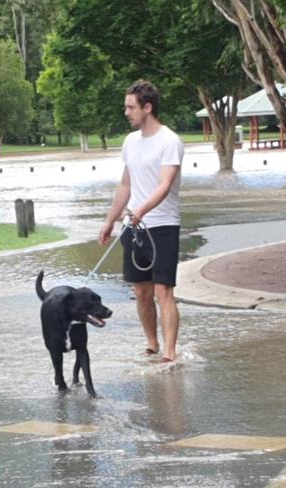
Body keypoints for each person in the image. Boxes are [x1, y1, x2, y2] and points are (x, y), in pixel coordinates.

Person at [98, 80, 184, 363]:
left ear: (148, 107)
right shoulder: (130, 142)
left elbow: (164, 184)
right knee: (141, 291)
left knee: (163, 290)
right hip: (132, 228)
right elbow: (126, 185)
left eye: (130, 107)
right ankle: (151, 343)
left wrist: (142, 211)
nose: (126, 112)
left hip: (163, 225)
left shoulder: (170, 141)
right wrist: (110, 221)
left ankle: (170, 353)